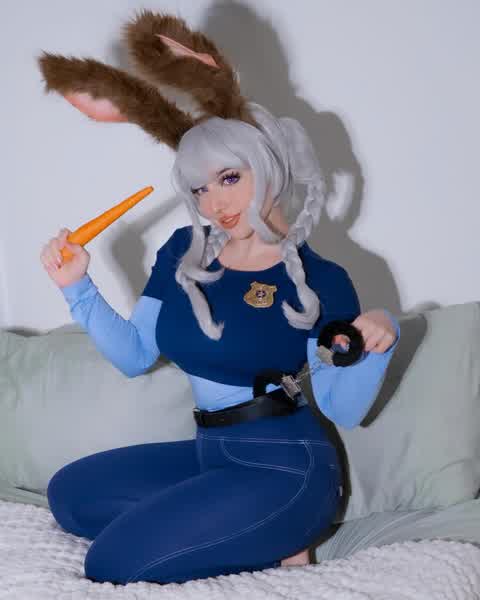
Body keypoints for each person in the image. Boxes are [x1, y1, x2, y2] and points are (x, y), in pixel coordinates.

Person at [38, 11, 400, 586]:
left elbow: (344, 409)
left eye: (229, 178)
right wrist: (76, 285)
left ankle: (286, 535)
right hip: (212, 452)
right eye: (200, 188)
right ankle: (234, 526)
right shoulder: (184, 253)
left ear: (268, 167)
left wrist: (380, 335)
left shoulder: (322, 278)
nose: (214, 204)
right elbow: (134, 356)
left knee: (110, 561)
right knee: (72, 496)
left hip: (287, 469)